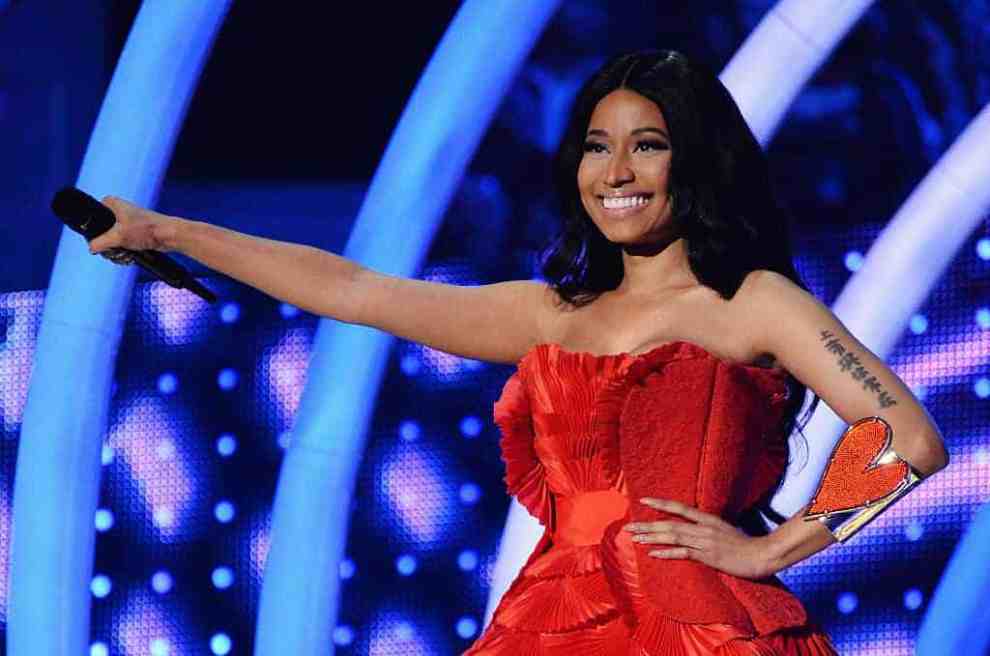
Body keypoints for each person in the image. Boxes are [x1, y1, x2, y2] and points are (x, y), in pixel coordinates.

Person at [90, 49, 948, 655]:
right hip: (553, 623)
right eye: (597, 147)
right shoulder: (547, 314)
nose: (616, 171)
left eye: (647, 145)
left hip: (704, 630)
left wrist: (771, 549)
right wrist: (170, 232)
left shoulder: (753, 302)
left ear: (697, 162)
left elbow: (908, 438)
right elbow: (352, 289)